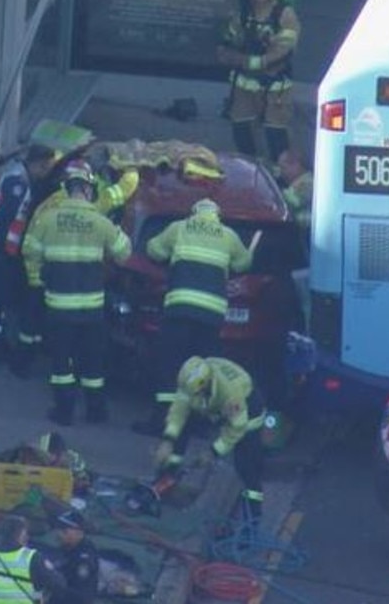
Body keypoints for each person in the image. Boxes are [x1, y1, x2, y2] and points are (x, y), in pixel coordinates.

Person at [22, 160, 132, 425]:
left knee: (61, 364)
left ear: (67, 189)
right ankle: (96, 411)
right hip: (91, 310)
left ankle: (64, 412)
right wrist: (117, 233)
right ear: (89, 190)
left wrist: (37, 281)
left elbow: (30, 251)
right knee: (93, 363)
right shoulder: (100, 221)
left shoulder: (47, 219)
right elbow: (124, 256)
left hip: (58, 307)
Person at [133, 198, 252, 436]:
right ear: (217, 215)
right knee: (206, 370)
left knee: (170, 365)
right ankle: (200, 425)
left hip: (180, 309)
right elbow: (244, 263)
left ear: (194, 213)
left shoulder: (180, 228)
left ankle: (163, 421)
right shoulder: (228, 236)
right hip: (210, 315)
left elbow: (154, 250)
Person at [0, 144, 58, 369]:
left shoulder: (14, 171)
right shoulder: (19, 182)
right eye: (46, 168)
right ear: (40, 164)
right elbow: (4, 220)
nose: (46, 174)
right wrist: (0, 252)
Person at [155, 356, 268, 524]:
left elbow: (236, 428)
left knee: (246, 468)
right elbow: (179, 410)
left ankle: (252, 520)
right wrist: (168, 440)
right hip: (215, 408)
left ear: (206, 385)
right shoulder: (191, 381)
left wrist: (213, 452)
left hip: (247, 417)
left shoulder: (231, 393)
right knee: (180, 432)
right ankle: (165, 480)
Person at [218, 0, 302, 162]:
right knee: (241, 129)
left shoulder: (285, 15)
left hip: (276, 88)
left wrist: (257, 61)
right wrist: (233, 55)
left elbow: (283, 49)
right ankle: (251, 169)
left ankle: (280, 178)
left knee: (276, 134)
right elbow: (227, 45)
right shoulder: (244, 14)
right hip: (244, 86)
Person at [0, 515, 67, 604]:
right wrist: (50, 568)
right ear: (21, 534)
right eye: (26, 533)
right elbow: (58, 584)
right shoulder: (31, 557)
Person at [51, 510, 100, 604]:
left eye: (64, 531)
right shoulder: (66, 548)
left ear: (79, 532)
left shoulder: (83, 559)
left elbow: (78, 593)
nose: (59, 534)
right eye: (58, 529)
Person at [275, 147, 313, 234]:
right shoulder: (297, 184)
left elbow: (288, 203)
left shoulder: (308, 183)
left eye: (283, 168)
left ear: (296, 164)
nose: (281, 173)